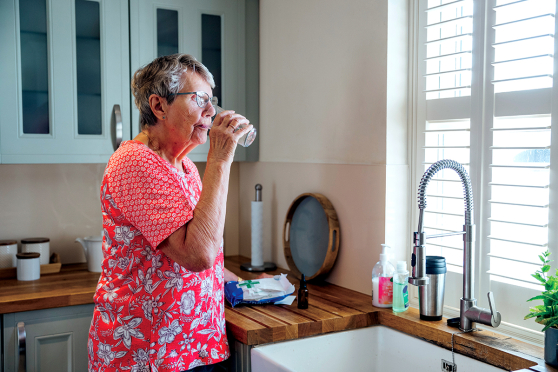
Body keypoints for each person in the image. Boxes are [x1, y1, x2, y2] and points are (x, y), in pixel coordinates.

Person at [88, 53, 265, 372]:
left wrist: (250, 286)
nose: (212, 112)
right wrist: (221, 159)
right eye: (200, 99)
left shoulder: (185, 168)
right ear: (159, 106)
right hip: (150, 355)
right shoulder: (135, 163)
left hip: (195, 347)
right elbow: (197, 255)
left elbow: (203, 252)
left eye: (212, 101)